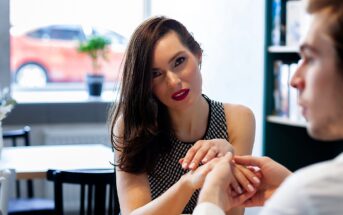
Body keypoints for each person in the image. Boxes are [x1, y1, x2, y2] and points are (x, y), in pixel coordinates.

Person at [194, 0, 343, 214]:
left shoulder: (308, 195)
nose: (294, 79)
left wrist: (210, 197)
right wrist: (288, 186)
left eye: (310, 58)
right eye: (155, 73)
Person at [108, 16, 257, 214]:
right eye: (156, 74)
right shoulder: (132, 126)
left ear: (197, 54)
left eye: (179, 61)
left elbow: (233, 213)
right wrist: (188, 184)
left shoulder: (238, 119)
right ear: (146, 85)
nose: (173, 81)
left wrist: (227, 165)